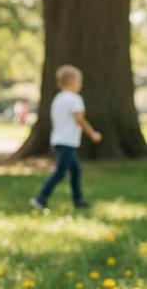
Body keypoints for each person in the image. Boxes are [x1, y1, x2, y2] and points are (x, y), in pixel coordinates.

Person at [29, 65, 102, 211]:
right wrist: (92, 133)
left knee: (75, 171)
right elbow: (79, 119)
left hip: (59, 140)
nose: (81, 84)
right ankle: (40, 198)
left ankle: (78, 200)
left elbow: (55, 121)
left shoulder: (58, 99)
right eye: (79, 81)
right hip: (68, 141)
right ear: (73, 81)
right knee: (60, 173)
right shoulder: (75, 99)